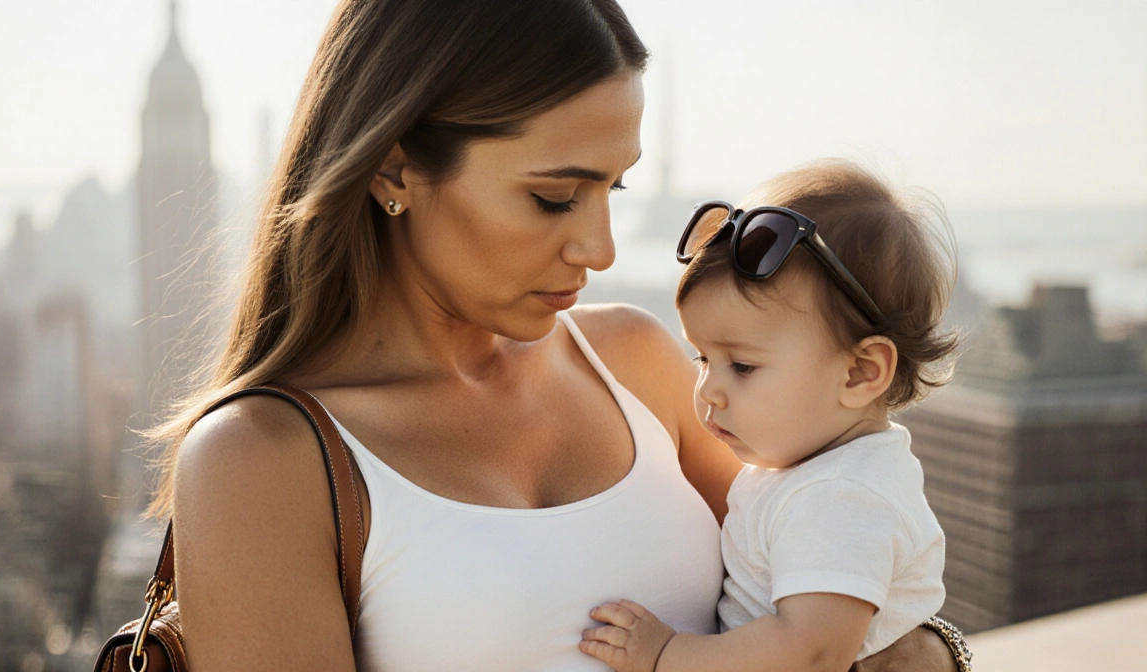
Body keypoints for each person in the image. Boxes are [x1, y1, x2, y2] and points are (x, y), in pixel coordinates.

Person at [152, 1, 965, 669]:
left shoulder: (639, 361)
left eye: (614, 187)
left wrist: (934, 651)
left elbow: (838, 582)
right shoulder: (258, 460)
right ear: (395, 170)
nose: (602, 249)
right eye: (554, 197)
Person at [580, 161, 959, 672]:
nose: (709, 389)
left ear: (859, 373)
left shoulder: (841, 496)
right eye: (702, 358)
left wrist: (667, 655)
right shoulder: (810, 469)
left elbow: (813, 653)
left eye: (742, 365)